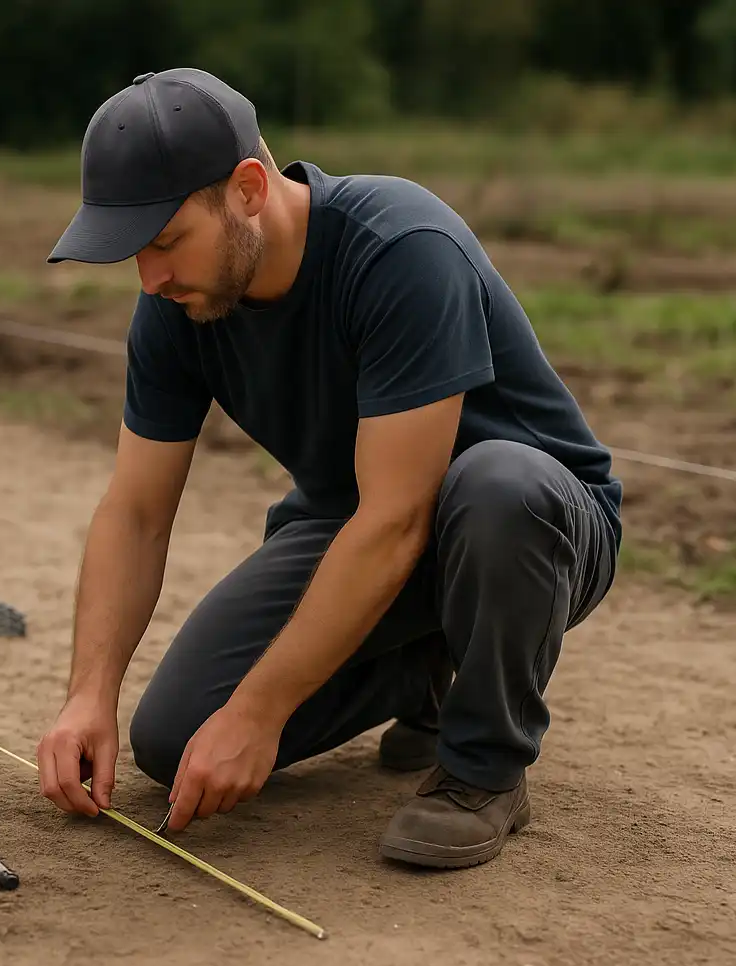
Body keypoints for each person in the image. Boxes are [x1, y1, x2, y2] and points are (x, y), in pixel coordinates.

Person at [34, 68, 621, 869]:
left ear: (248, 189)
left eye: (165, 241)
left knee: (495, 488)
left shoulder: (401, 250)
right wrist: (89, 696)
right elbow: (136, 513)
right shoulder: (176, 307)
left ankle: (482, 771)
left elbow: (398, 519)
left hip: (532, 528)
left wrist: (259, 713)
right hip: (357, 526)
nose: (151, 277)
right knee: (173, 738)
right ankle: (417, 667)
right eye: (135, 253)